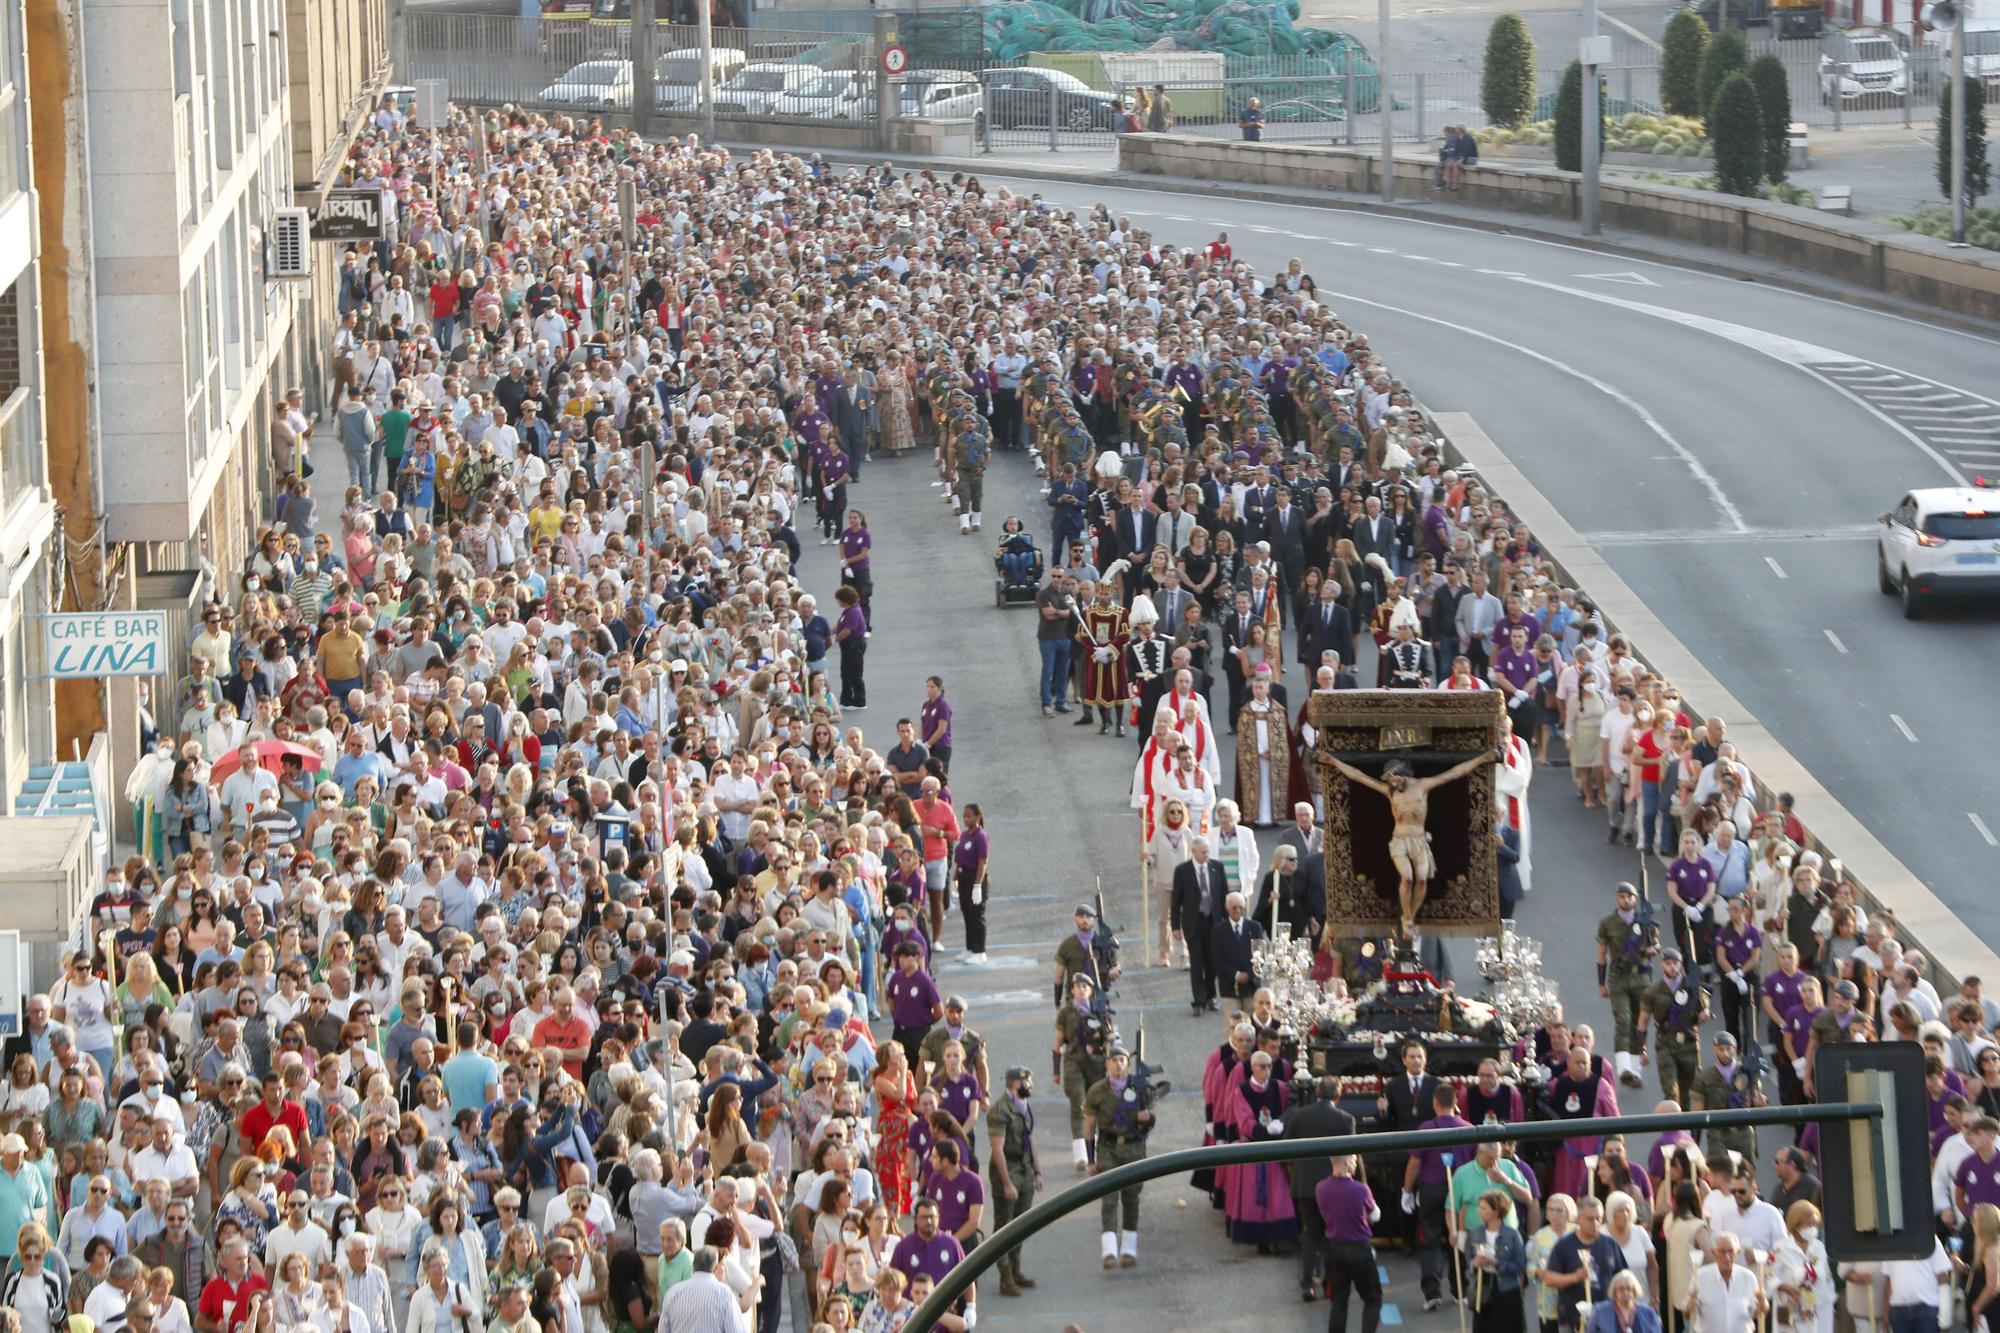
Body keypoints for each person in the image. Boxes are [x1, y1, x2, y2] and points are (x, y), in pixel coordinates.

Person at [1082, 1046, 1154, 1272]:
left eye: (1122, 1060)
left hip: (1133, 1148)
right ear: (1106, 1064)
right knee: (1109, 1199)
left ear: (1128, 1064)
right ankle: (1109, 1249)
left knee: (1132, 1198)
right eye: (1113, 1060)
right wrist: (1090, 1158)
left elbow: (1149, 1121)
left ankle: (1129, 1248)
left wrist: (1147, 1118)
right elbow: (1089, 1126)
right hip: (1108, 1148)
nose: (1118, 1064)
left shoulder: (1141, 1087)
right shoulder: (1097, 1091)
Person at [984, 1066, 1041, 1298]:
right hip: (1007, 1170)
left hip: (1025, 1169)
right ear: (1014, 1084)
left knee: (1021, 1224)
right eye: (1027, 1081)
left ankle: (1016, 1270)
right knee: (1004, 1227)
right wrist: (1007, 1183)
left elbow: (1030, 1140)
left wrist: (1037, 1172)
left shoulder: (1023, 1106)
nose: (1031, 1085)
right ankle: (1005, 1277)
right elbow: (997, 1151)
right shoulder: (1000, 1111)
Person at [1319, 1154, 1383, 1333]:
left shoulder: (1321, 1188)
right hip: (1359, 1250)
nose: (1356, 1163)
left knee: (1338, 1302)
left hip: (1334, 1249)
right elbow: (1374, 1216)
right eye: (1354, 1159)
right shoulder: (1361, 1190)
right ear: (1347, 1162)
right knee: (1372, 1299)